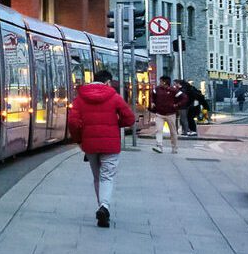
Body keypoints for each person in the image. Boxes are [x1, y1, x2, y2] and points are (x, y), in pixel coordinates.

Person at [69, 69, 136, 228]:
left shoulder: (80, 98)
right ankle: (104, 207)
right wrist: (115, 125)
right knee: (107, 176)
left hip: (90, 145)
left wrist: (79, 140)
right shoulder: (114, 97)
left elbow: (72, 122)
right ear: (107, 82)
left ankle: (102, 207)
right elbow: (130, 118)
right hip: (111, 144)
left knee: (97, 177)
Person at [150, 75, 184, 154]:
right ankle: (159, 146)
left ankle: (174, 147)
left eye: (160, 81)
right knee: (158, 130)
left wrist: (177, 105)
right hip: (159, 114)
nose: (159, 83)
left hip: (171, 114)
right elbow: (152, 95)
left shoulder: (174, 90)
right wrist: (152, 102)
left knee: (173, 132)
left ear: (164, 82)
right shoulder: (157, 89)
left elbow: (184, 97)